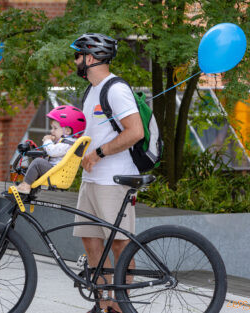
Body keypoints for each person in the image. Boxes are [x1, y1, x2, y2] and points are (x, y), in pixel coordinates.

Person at [70, 33, 144, 313]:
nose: (75, 61)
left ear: (91, 58)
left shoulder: (115, 89)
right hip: (91, 180)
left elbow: (135, 132)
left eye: (78, 55)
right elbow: (93, 134)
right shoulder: (91, 92)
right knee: (91, 243)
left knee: (121, 247)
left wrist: (99, 154)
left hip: (114, 181)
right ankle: (105, 305)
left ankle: (123, 306)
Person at [16, 105, 86, 194]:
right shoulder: (69, 142)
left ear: (68, 131)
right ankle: (30, 184)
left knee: (38, 162)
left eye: (55, 128)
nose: (52, 131)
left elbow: (52, 151)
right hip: (56, 171)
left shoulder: (67, 144)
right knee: (39, 161)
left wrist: (47, 140)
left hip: (55, 172)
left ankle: (26, 185)